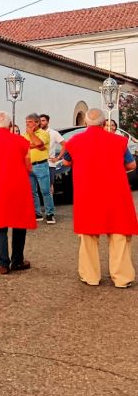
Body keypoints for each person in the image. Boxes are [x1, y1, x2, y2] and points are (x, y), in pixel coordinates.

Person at [63, 108, 138, 288]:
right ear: (104, 123)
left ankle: (91, 276)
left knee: (88, 235)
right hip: (115, 192)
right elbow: (131, 164)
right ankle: (122, 278)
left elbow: (66, 162)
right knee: (119, 233)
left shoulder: (75, 141)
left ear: (85, 123)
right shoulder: (119, 141)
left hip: (87, 193)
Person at [0, 112, 36, 274]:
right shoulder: (21, 141)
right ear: (10, 125)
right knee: (19, 224)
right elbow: (28, 166)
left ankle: (3, 263)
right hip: (17, 186)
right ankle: (17, 261)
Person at [23, 113, 55, 224]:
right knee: (33, 192)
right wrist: (35, 145)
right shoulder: (24, 135)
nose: (27, 124)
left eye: (29, 122)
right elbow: (24, 147)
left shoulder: (44, 133)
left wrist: (31, 135)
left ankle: (50, 213)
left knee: (45, 191)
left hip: (41, 165)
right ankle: (37, 213)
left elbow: (39, 143)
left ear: (37, 122)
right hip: (28, 165)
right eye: (26, 122)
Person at [39, 114, 65, 192]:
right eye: (40, 121)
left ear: (48, 122)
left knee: (49, 186)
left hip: (49, 164)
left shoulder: (54, 133)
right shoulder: (36, 133)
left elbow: (65, 145)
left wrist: (58, 158)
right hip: (38, 164)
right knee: (39, 187)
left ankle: (50, 200)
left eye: (43, 120)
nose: (41, 122)